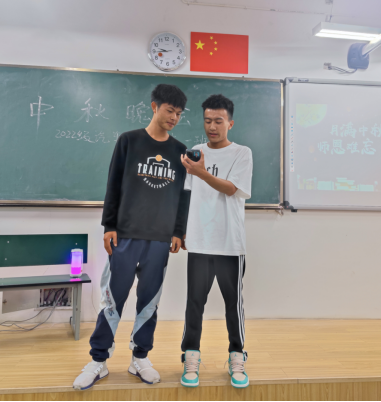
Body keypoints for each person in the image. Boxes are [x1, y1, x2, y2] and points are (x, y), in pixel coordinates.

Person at [73, 84, 191, 390]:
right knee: (112, 300)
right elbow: (113, 184)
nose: (174, 118)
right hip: (125, 235)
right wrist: (109, 226)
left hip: (160, 238)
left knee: (149, 302)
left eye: (179, 114)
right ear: (154, 106)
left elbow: (183, 196)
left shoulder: (180, 151)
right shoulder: (129, 141)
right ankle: (98, 361)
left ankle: (140, 357)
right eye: (169, 111)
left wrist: (178, 231)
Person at [179, 94, 253, 389]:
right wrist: (181, 229)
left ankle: (237, 356)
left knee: (233, 304)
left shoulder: (242, 153)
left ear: (230, 123)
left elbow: (232, 189)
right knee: (194, 303)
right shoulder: (196, 152)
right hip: (199, 241)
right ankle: (191, 356)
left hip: (229, 243)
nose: (212, 126)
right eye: (207, 120)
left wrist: (201, 172)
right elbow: (186, 194)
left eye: (218, 121)